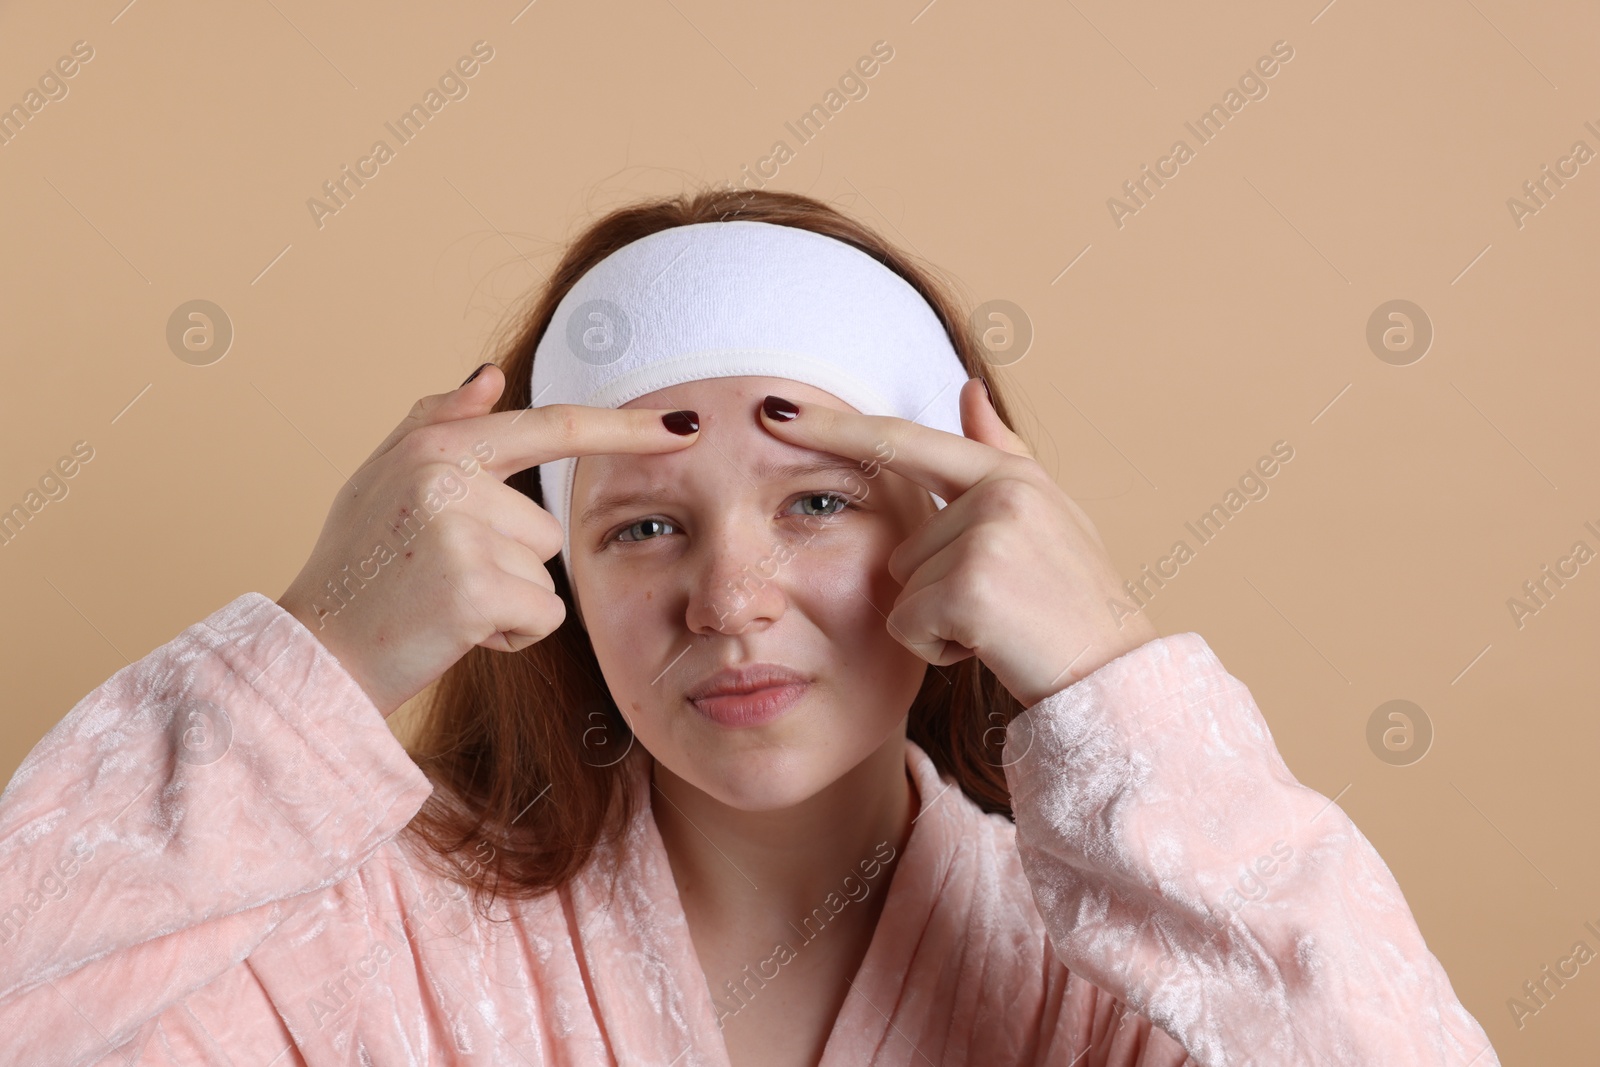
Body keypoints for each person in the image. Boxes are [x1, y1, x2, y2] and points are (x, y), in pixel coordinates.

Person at [0, 188, 1499, 1067]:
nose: (729, 601)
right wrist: (320, 648)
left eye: (819, 505)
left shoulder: (1113, 980)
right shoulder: (350, 952)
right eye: (643, 524)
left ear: (960, 530)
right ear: (553, 574)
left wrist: (1116, 681)